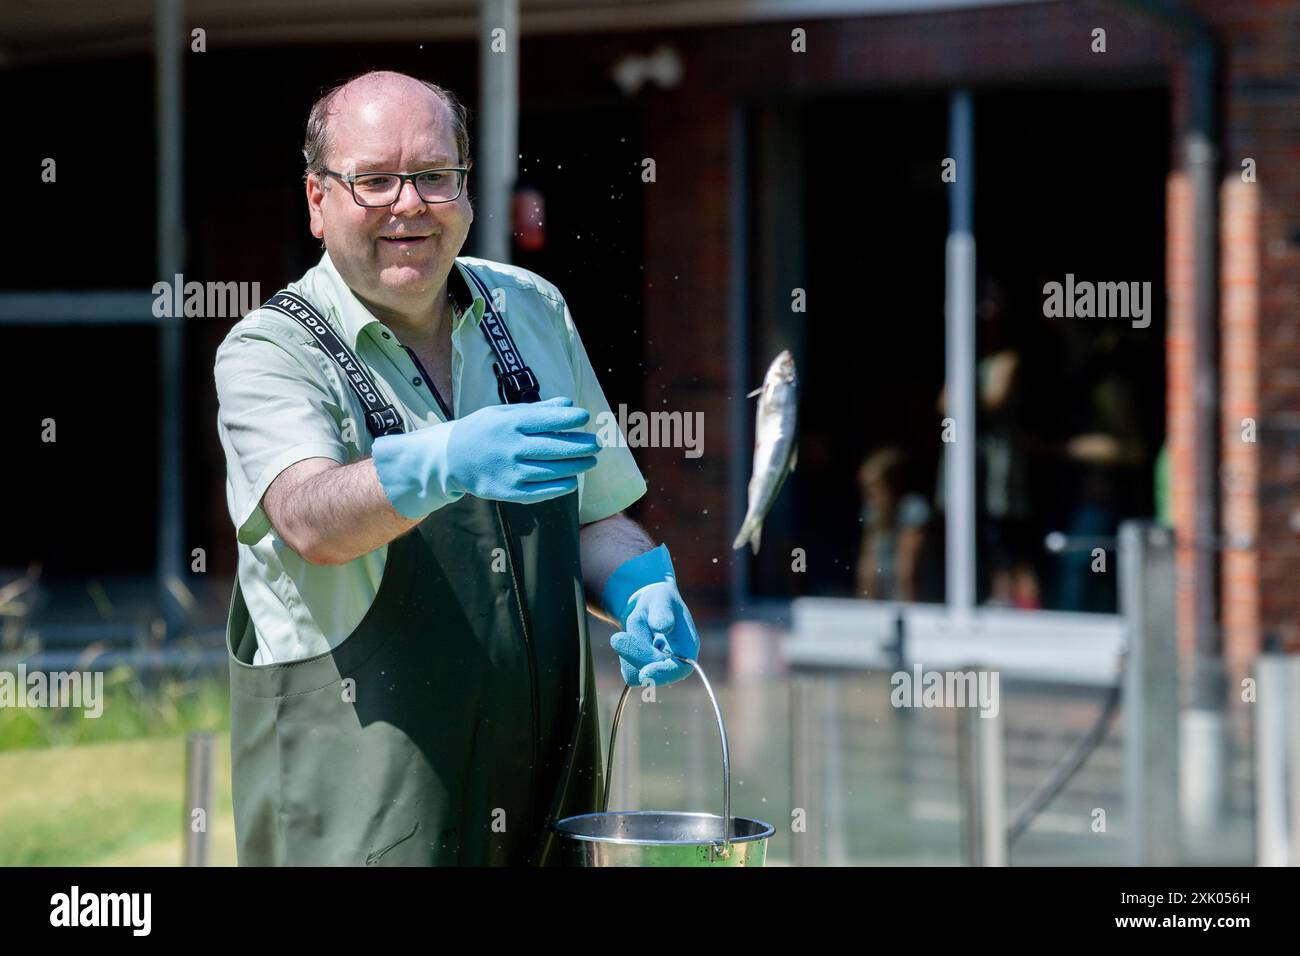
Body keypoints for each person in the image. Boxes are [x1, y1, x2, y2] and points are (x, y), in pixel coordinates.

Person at [213, 70, 703, 866]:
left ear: (467, 193)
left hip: (548, 805)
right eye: (373, 180)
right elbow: (306, 518)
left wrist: (638, 585)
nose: (409, 204)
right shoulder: (271, 350)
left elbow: (594, 516)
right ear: (316, 199)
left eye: (435, 176)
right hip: (358, 822)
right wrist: (443, 460)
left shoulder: (532, 310)